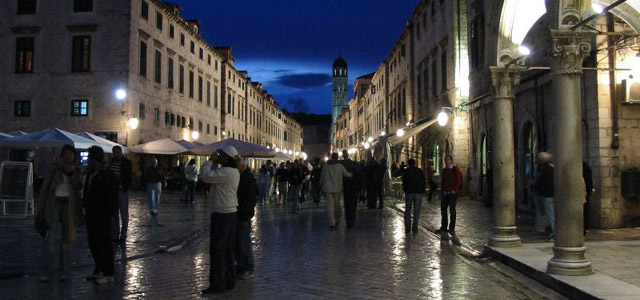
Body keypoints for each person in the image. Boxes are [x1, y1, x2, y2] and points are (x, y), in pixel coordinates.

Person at [36, 145, 83, 282]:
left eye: (70, 154)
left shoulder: (76, 170)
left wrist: (73, 173)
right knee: (49, 239)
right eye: (66, 154)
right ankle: (45, 271)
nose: (68, 156)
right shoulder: (55, 168)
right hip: (54, 203)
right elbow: (46, 186)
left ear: (74, 156)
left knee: (67, 239)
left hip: (68, 204)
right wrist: (41, 206)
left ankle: (64, 271)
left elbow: (79, 186)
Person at [199, 146, 240, 294]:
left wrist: (209, 161)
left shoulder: (226, 172)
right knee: (228, 250)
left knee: (217, 250)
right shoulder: (233, 172)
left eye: (222, 155)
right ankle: (229, 281)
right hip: (231, 212)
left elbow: (204, 175)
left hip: (222, 214)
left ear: (227, 158)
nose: (219, 157)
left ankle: (217, 284)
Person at [83, 146, 118, 284]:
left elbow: (111, 195)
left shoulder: (107, 175)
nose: (88, 161)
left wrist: (109, 211)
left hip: (102, 213)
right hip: (91, 212)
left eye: (89, 158)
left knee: (104, 242)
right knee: (93, 242)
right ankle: (99, 269)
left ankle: (109, 273)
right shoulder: (91, 173)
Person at [235, 158, 258, 280]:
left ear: (242, 166)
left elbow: (250, 200)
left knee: (244, 242)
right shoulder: (243, 178)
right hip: (239, 214)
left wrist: (245, 217)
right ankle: (241, 266)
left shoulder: (247, 180)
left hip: (243, 216)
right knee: (239, 242)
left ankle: (248, 268)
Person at [319, 153, 352, 228]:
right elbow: (346, 174)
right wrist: (354, 174)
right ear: (337, 158)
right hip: (337, 188)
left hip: (327, 188)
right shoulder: (340, 166)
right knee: (337, 205)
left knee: (329, 206)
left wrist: (320, 184)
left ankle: (332, 222)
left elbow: (322, 177)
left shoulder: (326, 166)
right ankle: (337, 219)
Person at [436, 155, 463, 241]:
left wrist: (455, 190)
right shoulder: (444, 170)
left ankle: (451, 227)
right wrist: (442, 191)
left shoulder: (455, 169)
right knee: (443, 210)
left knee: (452, 210)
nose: (446, 161)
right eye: (445, 159)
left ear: (451, 160)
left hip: (452, 193)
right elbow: (443, 181)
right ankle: (444, 227)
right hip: (445, 193)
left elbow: (459, 180)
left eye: (447, 159)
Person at [110, 145, 132, 243]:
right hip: (113, 191)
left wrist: (121, 178)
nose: (116, 154)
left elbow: (129, 176)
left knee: (123, 214)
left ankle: (123, 235)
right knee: (114, 214)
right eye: (114, 152)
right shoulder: (111, 162)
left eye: (118, 152)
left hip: (122, 190)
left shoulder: (126, 163)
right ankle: (115, 234)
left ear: (121, 152)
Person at [533, 152, 555, 240]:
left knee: (550, 213)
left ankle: (554, 231)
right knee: (548, 213)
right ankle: (546, 228)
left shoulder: (546, 169)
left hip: (546, 194)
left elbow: (541, 182)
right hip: (548, 194)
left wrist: (535, 186)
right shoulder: (550, 168)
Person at [402, 158, 426, 234]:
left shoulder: (406, 171)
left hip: (409, 192)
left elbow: (404, 181)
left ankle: (408, 228)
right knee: (417, 211)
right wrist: (422, 190)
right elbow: (423, 181)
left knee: (408, 210)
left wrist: (405, 190)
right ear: (415, 163)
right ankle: (415, 227)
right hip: (418, 192)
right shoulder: (419, 171)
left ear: (408, 164)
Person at [339, 150, 361, 228]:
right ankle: (352, 219)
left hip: (346, 186)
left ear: (342, 155)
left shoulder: (340, 163)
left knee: (347, 203)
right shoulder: (355, 164)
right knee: (353, 204)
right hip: (354, 186)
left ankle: (348, 220)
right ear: (348, 155)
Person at [583, 160, 594, 235]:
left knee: (584, 211)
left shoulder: (583, 166)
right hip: (584, 193)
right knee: (585, 211)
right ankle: (585, 227)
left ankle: (584, 227)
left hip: (583, 194)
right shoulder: (584, 165)